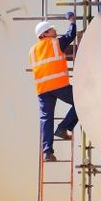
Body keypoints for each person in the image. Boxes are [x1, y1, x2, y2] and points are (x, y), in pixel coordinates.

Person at [30, 12, 80, 162]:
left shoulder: (32, 50)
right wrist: (72, 20)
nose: (55, 31)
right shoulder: (55, 43)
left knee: (46, 119)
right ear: (44, 34)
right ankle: (63, 127)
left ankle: (47, 152)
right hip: (57, 84)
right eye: (52, 30)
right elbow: (70, 35)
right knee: (81, 101)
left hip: (42, 89)